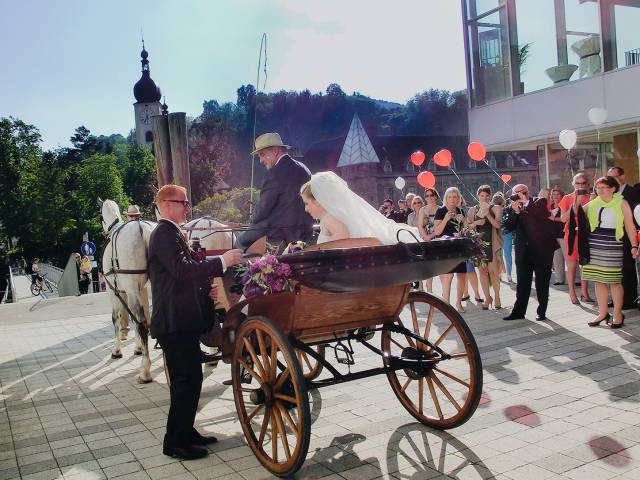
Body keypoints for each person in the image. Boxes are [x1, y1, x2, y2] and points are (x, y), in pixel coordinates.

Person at [149, 184, 244, 461]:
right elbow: (180, 271)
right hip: (173, 323)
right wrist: (222, 262)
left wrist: (206, 290)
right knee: (184, 382)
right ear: (166, 204)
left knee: (191, 381)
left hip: (183, 321)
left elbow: (183, 275)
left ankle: (186, 431)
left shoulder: (172, 233)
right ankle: (174, 442)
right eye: (183, 202)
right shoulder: (163, 234)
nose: (187, 207)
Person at [578, 176, 638, 328]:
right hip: (594, 243)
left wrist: (634, 246)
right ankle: (603, 312)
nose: (601, 191)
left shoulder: (621, 202)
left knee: (614, 281)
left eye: (604, 187)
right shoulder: (593, 203)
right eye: (598, 188)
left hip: (613, 244)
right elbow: (571, 216)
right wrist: (576, 199)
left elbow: (630, 226)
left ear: (613, 189)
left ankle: (618, 314)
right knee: (598, 280)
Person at [237, 133, 313, 253]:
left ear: (276, 151)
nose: (261, 161)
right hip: (306, 231)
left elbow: (263, 209)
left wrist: (251, 220)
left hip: (280, 232)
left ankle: (245, 269)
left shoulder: (273, 174)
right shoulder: (304, 169)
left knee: (240, 240)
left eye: (262, 155)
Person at [299, 172, 421, 244]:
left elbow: (343, 236)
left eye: (307, 203)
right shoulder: (330, 217)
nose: (305, 209)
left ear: (318, 202)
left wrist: (318, 248)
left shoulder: (331, 218)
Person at [503, 184, 559, 321]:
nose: (521, 195)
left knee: (542, 283)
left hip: (541, 250)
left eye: (524, 192)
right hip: (523, 251)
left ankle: (542, 311)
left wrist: (527, 203)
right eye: (517, 193)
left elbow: (543, 215)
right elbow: (508, 227)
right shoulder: (512, 207)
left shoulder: (539, 201)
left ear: (529, 192)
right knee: (522, 283)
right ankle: (518, 312)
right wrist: (515, 212)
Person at [467, 185, 504, 309]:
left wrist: (488, 214)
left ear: (490, 196)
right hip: (479, 245)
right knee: (482, 272)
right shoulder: (473, 210)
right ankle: (487, 298)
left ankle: (497, 297)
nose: (484, 198)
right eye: (482, 196)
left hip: (492, 244)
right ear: (478, 196)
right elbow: (467, 228)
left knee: (494, 272)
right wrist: (477, 222)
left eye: (487, 196)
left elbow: (497, 225)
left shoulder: (496, 208)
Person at [558, 173, 594, 304]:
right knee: (572, 264)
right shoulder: (567, 198)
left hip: (586, 234)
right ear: (573, 184)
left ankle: (584, 293)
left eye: (583, 183)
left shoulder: (592, 197)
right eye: (578, 183)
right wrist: (574, 206)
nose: (580, 186)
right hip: (572, 234)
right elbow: (563, 219)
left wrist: (592, 201)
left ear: (588, 184)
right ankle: (572, 293)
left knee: (585, 264)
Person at [607, 166, 638, 309]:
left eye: (614, 177)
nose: (611, 180)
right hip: (613, 237)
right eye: (609, 177)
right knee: (616, 270)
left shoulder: (633, 192)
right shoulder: (609, 194)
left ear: (622, 177)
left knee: (628, 269)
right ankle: (617, 298)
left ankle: (629, 299)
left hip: (628, 237)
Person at [433, 187, 467, 312]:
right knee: (448, 276)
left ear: (458, 199)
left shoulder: (461, 211)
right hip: (445, 247)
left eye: (455, 197)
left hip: (459, 247)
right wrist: (446, 219)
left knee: (462, 276)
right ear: (446, 198)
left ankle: (458, 303)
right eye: (450, 197)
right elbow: (437, 231)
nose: (452, 199)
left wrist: (464, 222)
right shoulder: (441, 211)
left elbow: (466, 230)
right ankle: (446, 305)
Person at [418, 188, 441, 293]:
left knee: (441, 266)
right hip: (426, 241)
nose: (429, 197)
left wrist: (432, 235)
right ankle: (430, 291)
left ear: (436, 196)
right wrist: (426, 237)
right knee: (429, 267)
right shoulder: (423, 210)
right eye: (427, 196)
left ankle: (443, 292)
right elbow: (420, 226)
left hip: (438, 239)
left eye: (431, 195)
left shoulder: (441, 209)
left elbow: (441, 226)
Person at [550, 187, 566, 285]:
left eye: (558, 194)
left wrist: (554, 219)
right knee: (556, 258)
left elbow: (565, 218)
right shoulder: (549, 207)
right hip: (552, 235)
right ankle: (559, 279)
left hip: (563, 234)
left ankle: (576, 279)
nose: (555, 196)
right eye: (554, 195)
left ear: (562, 195)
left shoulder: (565, 205)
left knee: (569, 258)